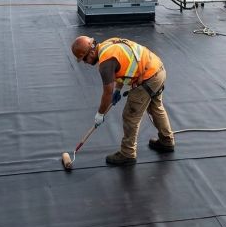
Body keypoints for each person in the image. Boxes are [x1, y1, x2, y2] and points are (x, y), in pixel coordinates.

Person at [71, 36, 174, 166]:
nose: (85, 62)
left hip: (148, 78)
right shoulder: (108, 44)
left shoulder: (105, 63)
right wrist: (118, 90)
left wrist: (100, 114)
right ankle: (167, 141)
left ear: (91, 52)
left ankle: (127, 153)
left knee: (130, 115)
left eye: (84, 58)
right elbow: (123, 65)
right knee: (155, 107)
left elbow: (107, 92)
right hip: (157, 69)